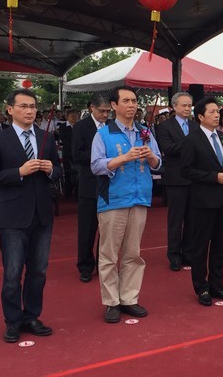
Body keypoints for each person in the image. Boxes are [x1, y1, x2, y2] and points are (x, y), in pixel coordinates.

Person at [0, 89, 62, 343]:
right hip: (12, 216)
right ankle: (13, 320)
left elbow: (60, 171)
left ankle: (31, 316)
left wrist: (51, 169)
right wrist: (19, 171)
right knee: (13, 272)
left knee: (38, 271)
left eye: (33, 106)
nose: (29, 111)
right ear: (10, 109)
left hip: (42, 214)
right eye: (24, 106)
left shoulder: (45, 137)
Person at [91, 86, 161, 323]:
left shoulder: (145, 131)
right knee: (109, 254)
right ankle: (111, 301)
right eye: (126, 101)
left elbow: (157, 162)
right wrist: (124, 157)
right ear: (114, 105)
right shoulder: (103, 133)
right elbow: (96, 165)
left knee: (133, 253)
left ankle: (129, 298)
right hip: (113, 200)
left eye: (134, 101)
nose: (132, 105)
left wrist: (149, 156)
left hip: (140, 197)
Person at [181, 97, 223, 306]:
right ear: (201, 117)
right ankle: (201, 287)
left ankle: (217, 285)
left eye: (218, 111)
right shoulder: (192, 140)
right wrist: (215, 177)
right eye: (212, 112)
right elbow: (186, 170)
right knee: (200, 246)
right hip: (202, 201)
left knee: (220, 246)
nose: (217, 115)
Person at [155, 92, 198, 271]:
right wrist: (190, 143)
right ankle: (174, 254)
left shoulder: (196, 125)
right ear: (174, 107)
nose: (187, 109)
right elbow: (168, 149)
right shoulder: (165, 126)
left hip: (194, 179)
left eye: (189, 105)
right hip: (176, 179)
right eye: (183, 105)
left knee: (192, 219)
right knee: (175, 219)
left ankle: (188, 253)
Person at [72, 93, 112, 283]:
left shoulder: (112, 128)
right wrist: (99, 154)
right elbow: (76, 154)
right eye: (102, 111)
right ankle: (85, 265)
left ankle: (103, 264)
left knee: (108, 229)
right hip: (89, 183)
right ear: (92, 109)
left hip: (110, 183)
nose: (105, 115)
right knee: (87, 229)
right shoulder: (81, 127)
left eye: (108, 111)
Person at [59, 109, 80, 199]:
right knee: (68, 173)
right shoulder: (63, 126)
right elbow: (64, 140)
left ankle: (77, 194)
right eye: (72, 116)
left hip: (78, 154)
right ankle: (68, 193)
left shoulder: (80, 126)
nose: (74, 118)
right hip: (68, 153)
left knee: (78, 174)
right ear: (67, 117)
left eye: (76, 116)